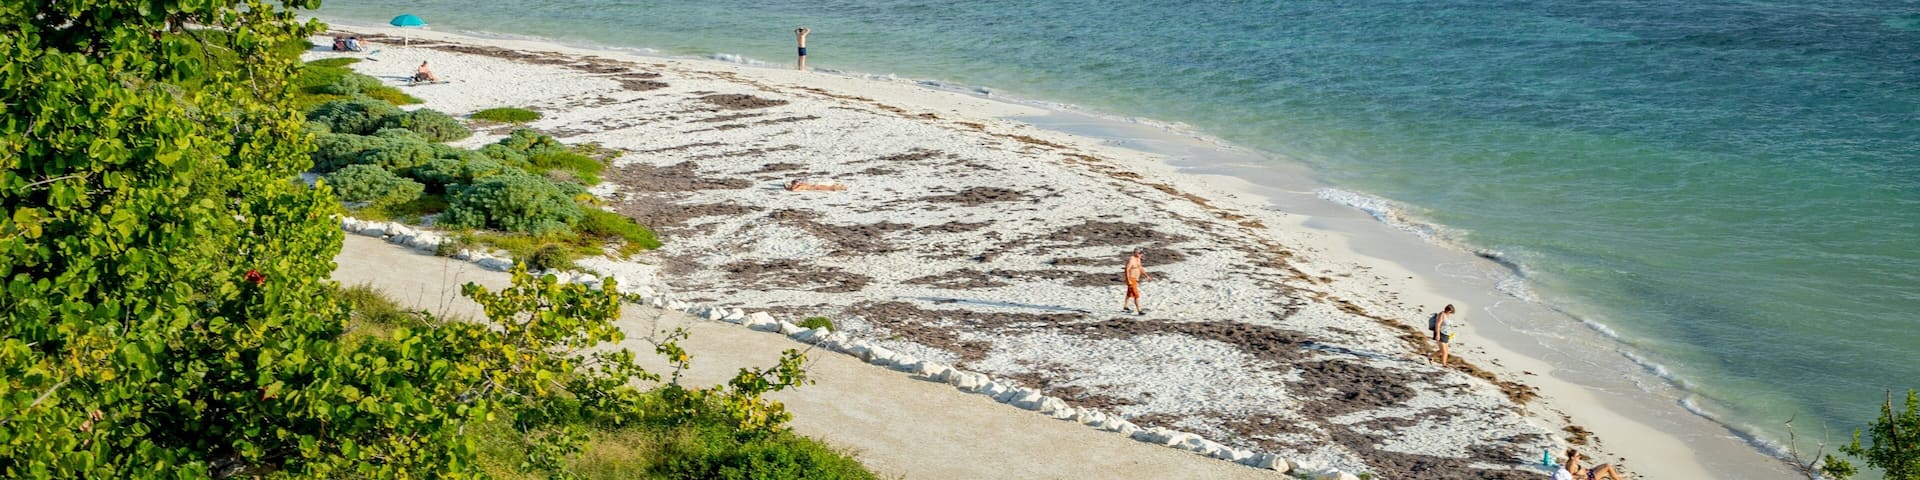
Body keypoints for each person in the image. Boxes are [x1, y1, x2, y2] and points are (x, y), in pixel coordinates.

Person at [1554, 449, 1626, 480]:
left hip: (1589, 473)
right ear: (1572, 457)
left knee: (1604, 465)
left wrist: (1585, 471)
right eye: (1578, 456)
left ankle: (1617, 478)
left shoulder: (1571, 462)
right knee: (1607, 466)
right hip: (1589, 478)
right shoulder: (1571, 465)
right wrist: (1582, 477)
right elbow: (1570, 477)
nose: (1580, 457)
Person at [1122, 248, 1151, 315]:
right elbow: (1127, 270)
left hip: (1135, 279)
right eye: (1140, 253)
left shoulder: (1138, 259)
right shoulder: (1131, 260)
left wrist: (1146, 276)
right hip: (1131, 279)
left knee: (1129, 293)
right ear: (1136, 253)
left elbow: (1140, 268)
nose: (1141, 255)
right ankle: (1139, 311)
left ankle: (1125, 307)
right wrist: (1128, 280)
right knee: (1136, 295)